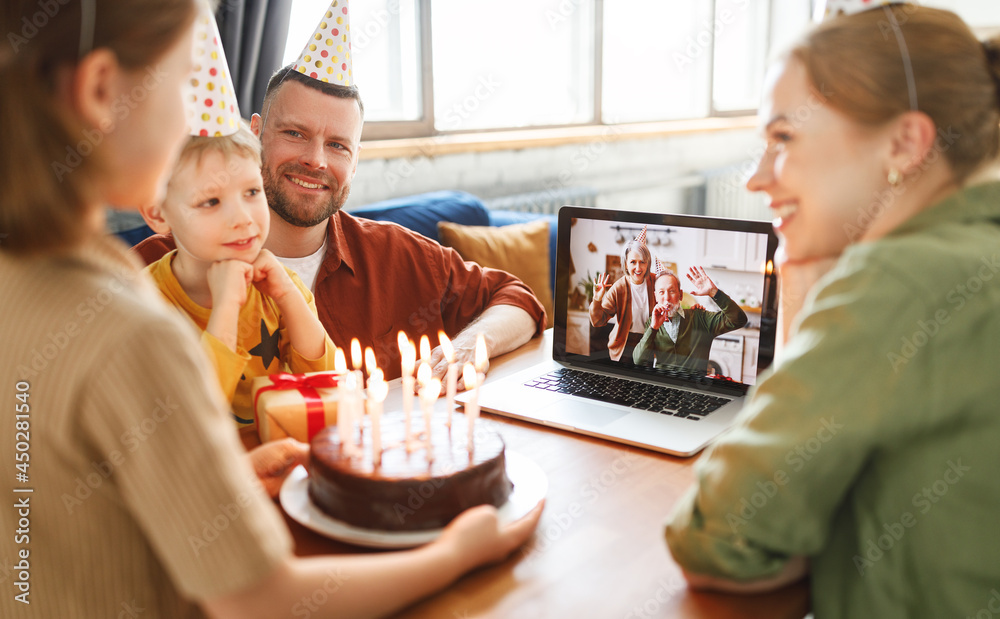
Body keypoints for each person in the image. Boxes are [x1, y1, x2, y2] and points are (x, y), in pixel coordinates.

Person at [0, 2, 541, 618]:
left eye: (338, 143)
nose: (315, 158)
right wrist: (459, 553)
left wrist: (216, 483)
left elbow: (77, 522)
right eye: (181, 84)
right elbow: (257, 601)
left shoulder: (28, 282)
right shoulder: (140, 316)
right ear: (102, 92)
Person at [663, 5, 1000, 617]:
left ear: (904, 142)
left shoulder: (901, 281)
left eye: (783, 138)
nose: (756, 179)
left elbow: (713, 538)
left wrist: (817, 296)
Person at [135, 66, 546, 383]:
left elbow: (517, 298)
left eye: (337, 145)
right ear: (256, 134)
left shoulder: (396, 254)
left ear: (355, 158)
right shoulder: (147, 272)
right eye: (295, 133)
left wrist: (472, 344)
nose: (316, 160)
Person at [138, 122, 335, 433]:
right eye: (211, 201)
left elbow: (325, 379)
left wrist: (287, 296)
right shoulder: (144, 302)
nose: (242, 218)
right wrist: (226, 308)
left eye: (252, 192)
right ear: (158, 214)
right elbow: (194, 414)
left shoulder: (280, 285)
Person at [632, 266, 748, 372]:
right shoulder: (652, 323)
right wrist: (653, 328)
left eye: (671, 291)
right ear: (656, 297)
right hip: (664, 388)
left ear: (681, 295)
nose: (667, 298)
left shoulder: (701, 318)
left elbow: (739, 319)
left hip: (694, 389)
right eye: (661, 292)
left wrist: (714, 292)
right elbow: (638, 361)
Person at [589, 233, 655, 362]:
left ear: (648, 263)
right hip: (625, 344)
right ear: (625, 264)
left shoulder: (656, 282)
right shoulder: (618, 288)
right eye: (633, 262)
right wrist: (597, 299)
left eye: (642, 262)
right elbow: (598, 321)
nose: (638, 267)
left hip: (650, 342)